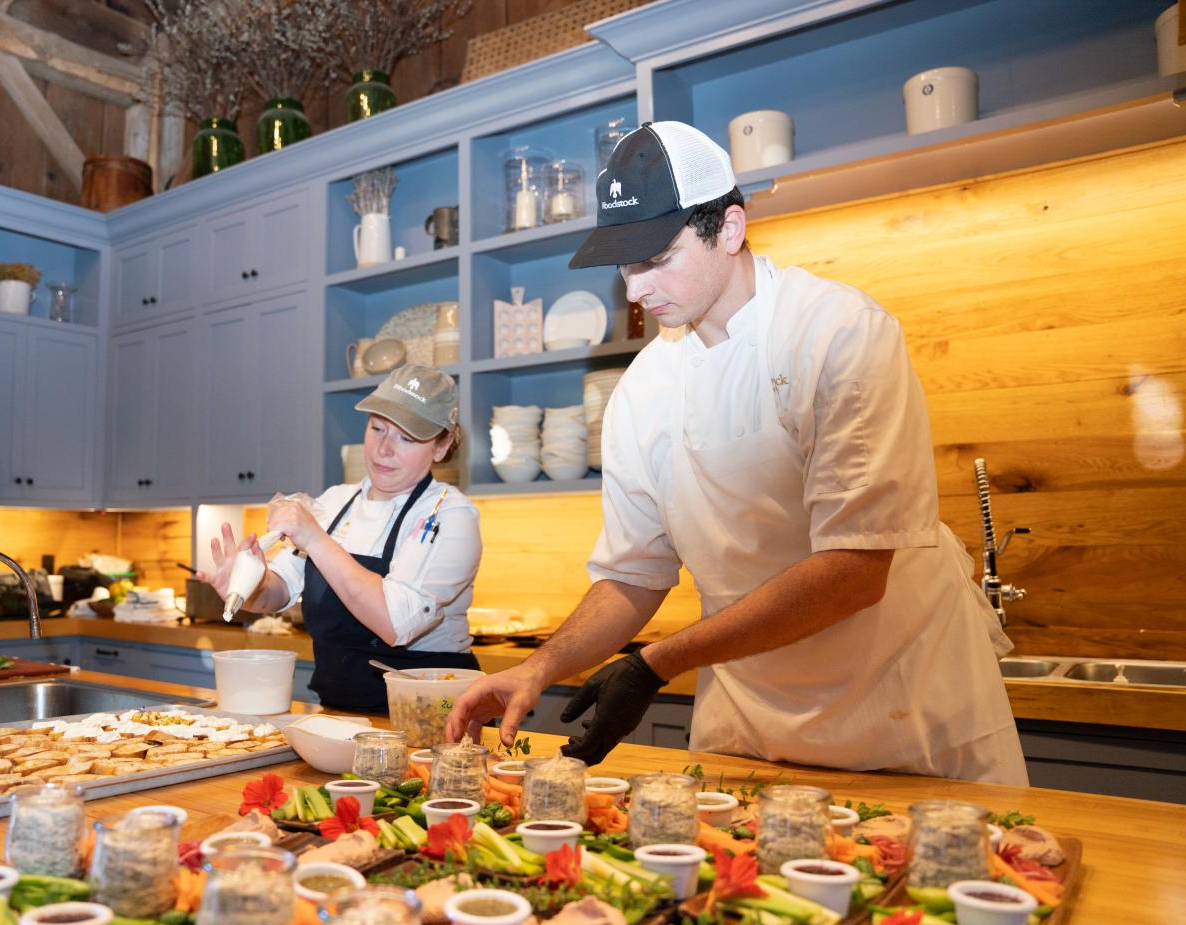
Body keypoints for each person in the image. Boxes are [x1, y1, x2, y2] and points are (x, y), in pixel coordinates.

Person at [447, 121, 1028, 785]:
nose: (635, 290)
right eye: (625, 266)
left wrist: (657, 661)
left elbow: (854, 569)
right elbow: (635, 574)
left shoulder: (838, 334)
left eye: (656, 259)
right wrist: (540, 666)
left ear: (728, 228)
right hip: (750, 722)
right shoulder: (643, 387)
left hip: (902, 711)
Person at [202, 364, 482, 713]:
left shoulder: (452, 516)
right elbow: (277, 592)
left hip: (432, 717)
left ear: (440, 448)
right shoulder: (335, 502)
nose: (384, 449)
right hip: (340, 712)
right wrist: (247, 586)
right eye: (377, 428)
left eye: (406, 438)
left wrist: (316, 540)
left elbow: (395, 624)